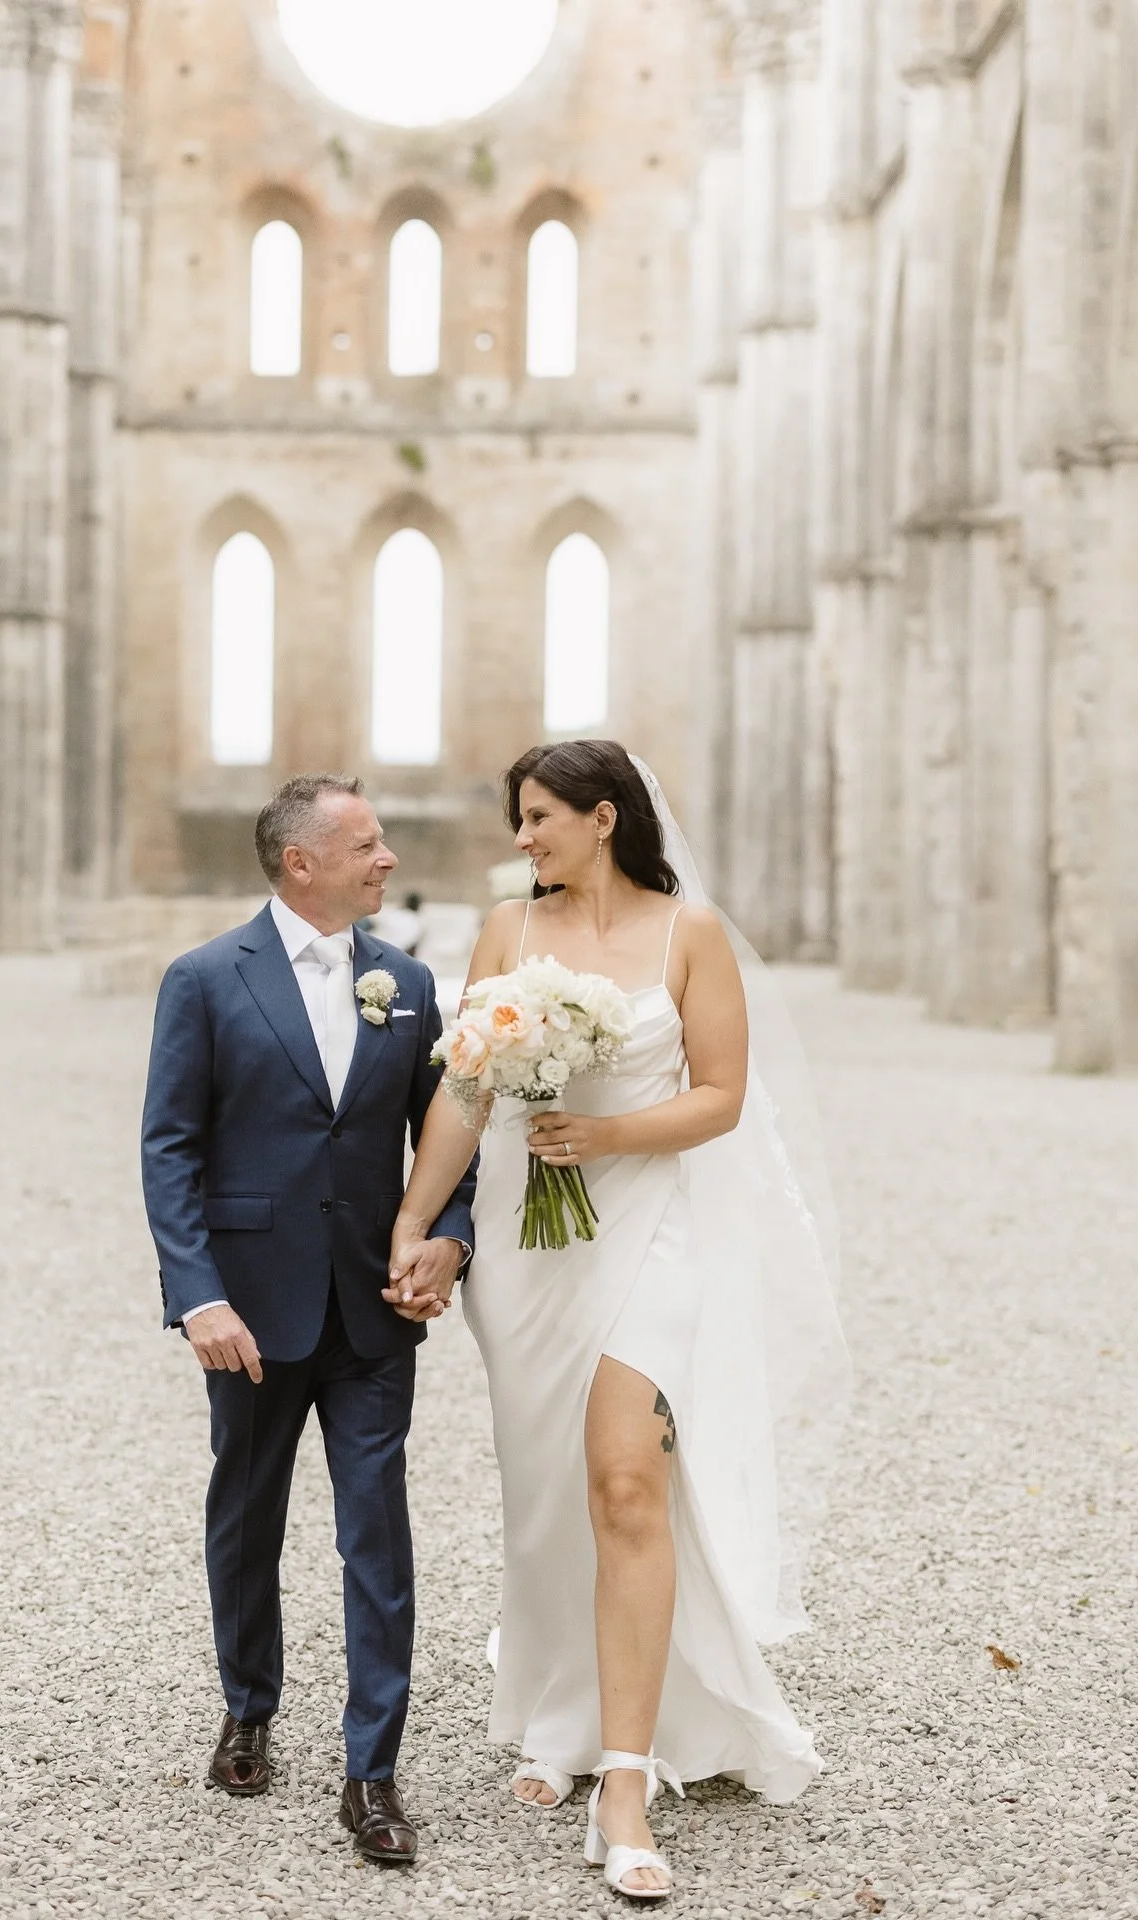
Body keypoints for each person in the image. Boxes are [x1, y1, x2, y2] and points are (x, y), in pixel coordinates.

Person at [388, 740, 848, 1902]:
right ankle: (560, 1708)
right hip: (530, 1252)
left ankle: (629, 1782)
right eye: (518, 821)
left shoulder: (689, 931)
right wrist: (413, 1220)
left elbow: (720, 1096)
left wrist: (608, 1137)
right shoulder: (507, 931)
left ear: (604, 817)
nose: (524, 838)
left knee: (627, 1480)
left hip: (651, 1226)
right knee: (550, 1485)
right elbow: (467, 1088)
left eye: (540, 817)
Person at [141, 773, 475, 1865]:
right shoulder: (202, 980)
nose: (387, 860)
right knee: (246, 1516)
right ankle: (249, 1705)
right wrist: (197, 1295)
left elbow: (449, 1142)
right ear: (302, 863)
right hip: (248, 1307)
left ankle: (372, 1772)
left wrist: (449, 1239)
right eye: (367, 845)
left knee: (377, 1532)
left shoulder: (410, 981)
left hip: (375, 1309)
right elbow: (171, 1148)